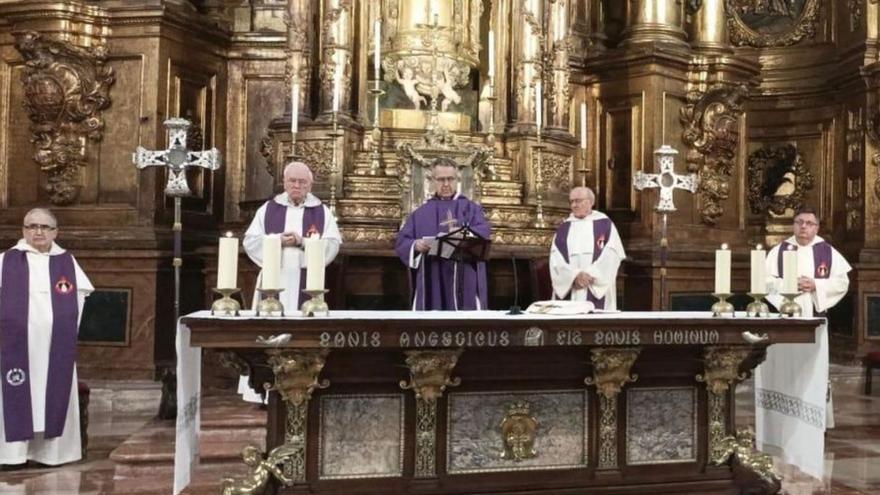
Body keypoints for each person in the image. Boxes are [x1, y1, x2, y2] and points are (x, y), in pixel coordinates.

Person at [756, 206, 851, 480]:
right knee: (784, 370)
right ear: (793, 225)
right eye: (799, 223)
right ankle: (782, 423)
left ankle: (810, 421)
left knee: (812, 373)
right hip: (785, 321)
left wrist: (815, 286)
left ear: (817, 227)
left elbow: (841, 281)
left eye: (809, 223)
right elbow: (764, 280)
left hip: (815, 318)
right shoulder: (780, 251)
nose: (804, 228)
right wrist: (788, 285)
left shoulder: (827, 252)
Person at [0, 208, 93, 466]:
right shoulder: (6, 261)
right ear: (23, 230)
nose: (38, 231)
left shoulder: (66, 262)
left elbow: (79, 299)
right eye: (31, 226)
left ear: (55, 232)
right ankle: (13, 454)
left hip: (55, 349)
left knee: (52, 394)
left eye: (44, 227)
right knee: (16, 393)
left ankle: (51, 453)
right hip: (15, 349)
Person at [241, 162, 341, 400]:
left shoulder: (321, 211)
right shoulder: (268, 209)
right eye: (292, 181)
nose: (297, 186)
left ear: (310, 185)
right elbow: (250, 241)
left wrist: (304, 242)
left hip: (308, 281)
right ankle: (263, 390)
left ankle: (304, 384)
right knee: (269, 329)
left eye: (302, 182)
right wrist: (277, 240)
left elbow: (333, 243)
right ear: (284, 182)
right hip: (275, 279)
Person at [395, 157, 491, 310]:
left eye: (450, 179)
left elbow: (484, 232)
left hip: (465, 275)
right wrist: (416, 245)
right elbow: (402, 242)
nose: (446, 184)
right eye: (441, 179)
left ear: (457, 180)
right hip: (433, 277)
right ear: (432, 181)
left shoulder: (471, 208)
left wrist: (465, 234)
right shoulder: (420, 213)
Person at [548, 187, 626, 310]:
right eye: (571, 201)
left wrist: (590, 275)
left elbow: (612, 254)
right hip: (572, 286)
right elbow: (556, 259)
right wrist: (574, 276)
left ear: (591, 202)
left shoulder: (605, 225)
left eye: (578, 201)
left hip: (596, 286)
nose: (574, 205)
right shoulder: (564, 227)